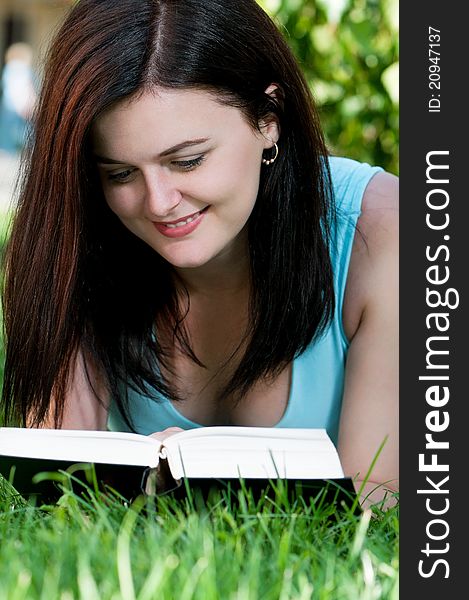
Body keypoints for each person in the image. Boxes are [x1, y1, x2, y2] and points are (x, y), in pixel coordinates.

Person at [1, 0, 398, 507]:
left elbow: (378, 513)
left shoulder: (384, 231)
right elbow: (53, 501)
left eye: (187, 161)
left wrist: (197, 496)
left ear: (268, 118)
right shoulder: (81, 235)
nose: (159, 203)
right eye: (120, 173)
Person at [0, 42, 37, 154]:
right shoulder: (19, 70)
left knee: (9, 140)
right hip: (18, 111)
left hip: (10, 111)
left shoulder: (9, 70)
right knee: (21, 139)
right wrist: (29, 107)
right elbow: (20, 92)